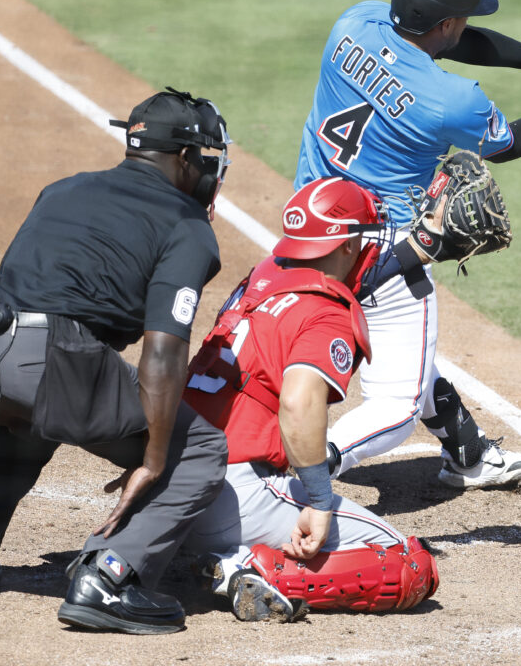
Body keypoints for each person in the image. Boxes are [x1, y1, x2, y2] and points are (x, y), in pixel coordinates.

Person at [294, 0, 521, 488]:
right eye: (463, 18)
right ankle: (310, 467)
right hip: (385, 250)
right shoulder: (453, 100)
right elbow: (507, 144)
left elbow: (444, 39)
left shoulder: (354, 23)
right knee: (397, 404)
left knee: (410, 357)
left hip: (309, 221)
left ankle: (469, 457)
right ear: (446, 22)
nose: (467, 26)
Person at [0, 88, 233, 635]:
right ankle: (111, 579)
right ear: (184, 159)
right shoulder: (187, 226)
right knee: (199, 447)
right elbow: (163, 351)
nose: (208, 170)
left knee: (42, 400)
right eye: (205, 159)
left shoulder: (62, 189)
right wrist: (153, 458)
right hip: (39, 360)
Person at [182, 177, 437, 621]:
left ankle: (198, 548)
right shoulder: (326, 312)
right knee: (407, 564)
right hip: (231, 492)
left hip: (169, 482)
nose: (368, 247)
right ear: (342, 246)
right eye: (361, 236)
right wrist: (319, 502)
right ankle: (241, 566)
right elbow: (299, 404)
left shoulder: (264, 275)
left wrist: (427, 245)